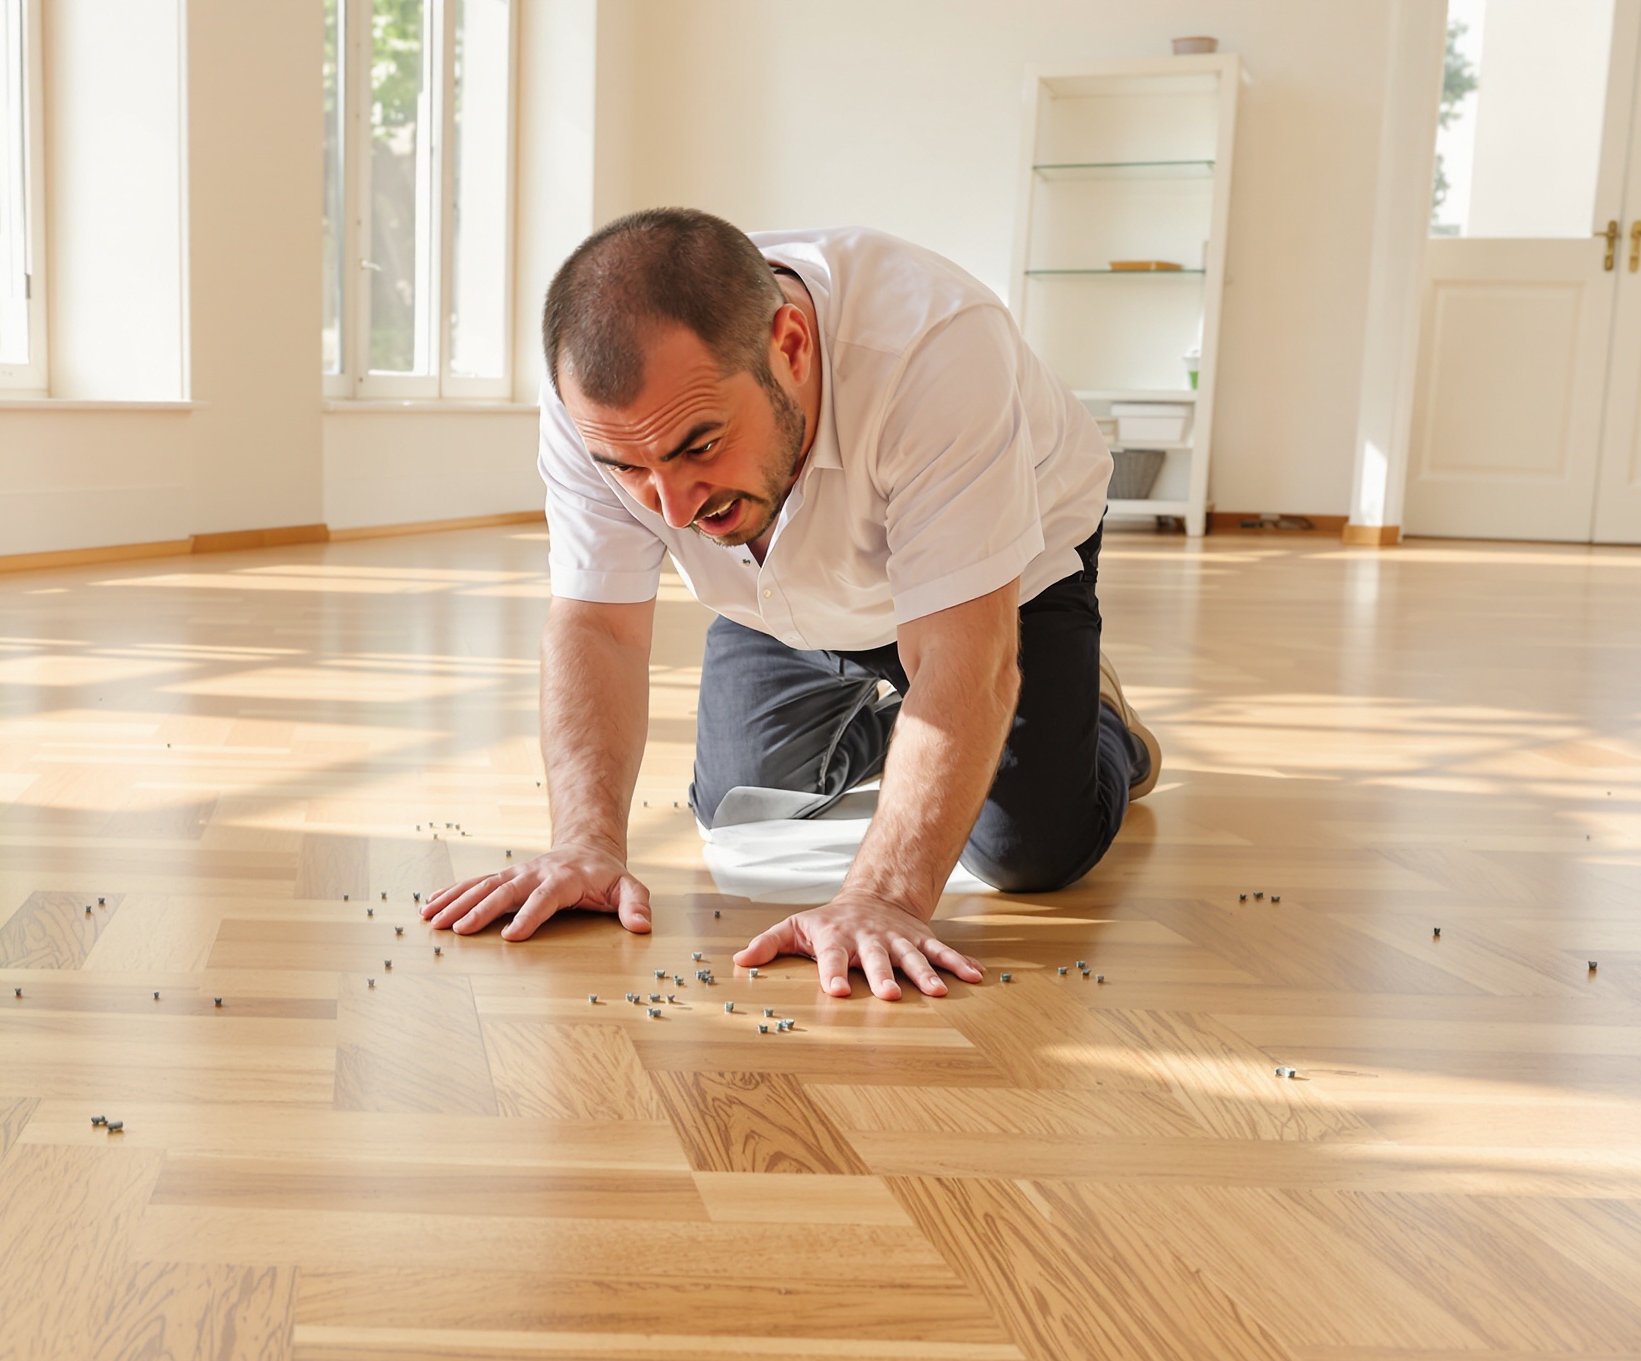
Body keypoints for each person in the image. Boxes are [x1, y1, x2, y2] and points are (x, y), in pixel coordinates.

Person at [419, 209, 1158, 1001]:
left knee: (1027, 854)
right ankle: (909, 720)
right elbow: (598, 625)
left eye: (698, 446)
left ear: (793, 346)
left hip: (1005, 580)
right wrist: (586, 843)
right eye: (629, 470)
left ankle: (1100, 723)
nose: (669, 510)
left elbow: (961, 661)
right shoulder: (595, 404)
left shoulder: (937, 349)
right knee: (744, 804)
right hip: (781, 597)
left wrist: (881, 897)